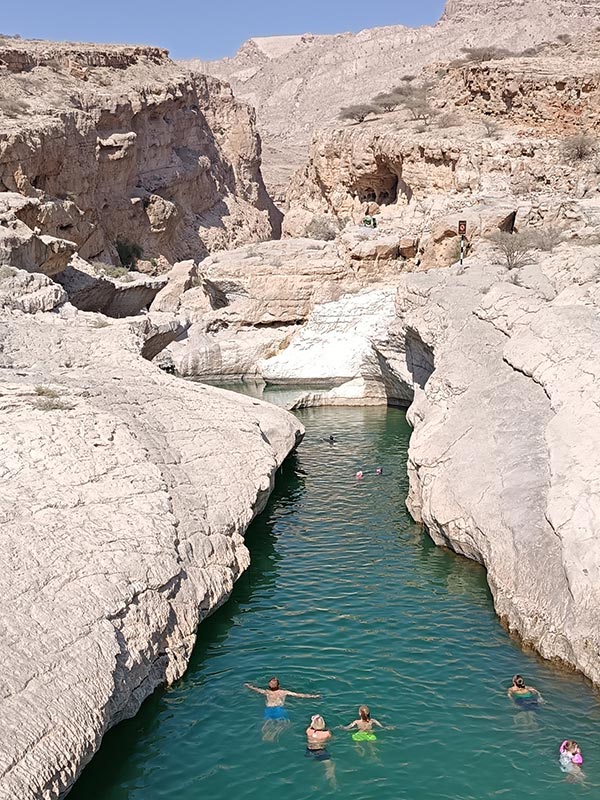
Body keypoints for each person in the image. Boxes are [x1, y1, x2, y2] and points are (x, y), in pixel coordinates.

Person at [244, 677, 320, 720]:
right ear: (279, 685)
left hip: (269, 709)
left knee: (267, 724)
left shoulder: (266, 692)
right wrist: (313, 696)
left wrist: (248, 686)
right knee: (281, 724)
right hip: (279, 709)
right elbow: (299, 695)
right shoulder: (283, 692)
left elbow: (256, 689)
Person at [306, 714, 337, 787]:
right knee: (331, 766)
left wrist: (313, 722)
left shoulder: (308, 731)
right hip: (320, 751)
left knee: (315, 764)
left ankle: (314, 783)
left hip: (309, 750)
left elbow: (311, 727)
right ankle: (332, 781)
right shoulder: (326, 733)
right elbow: (332, 739)